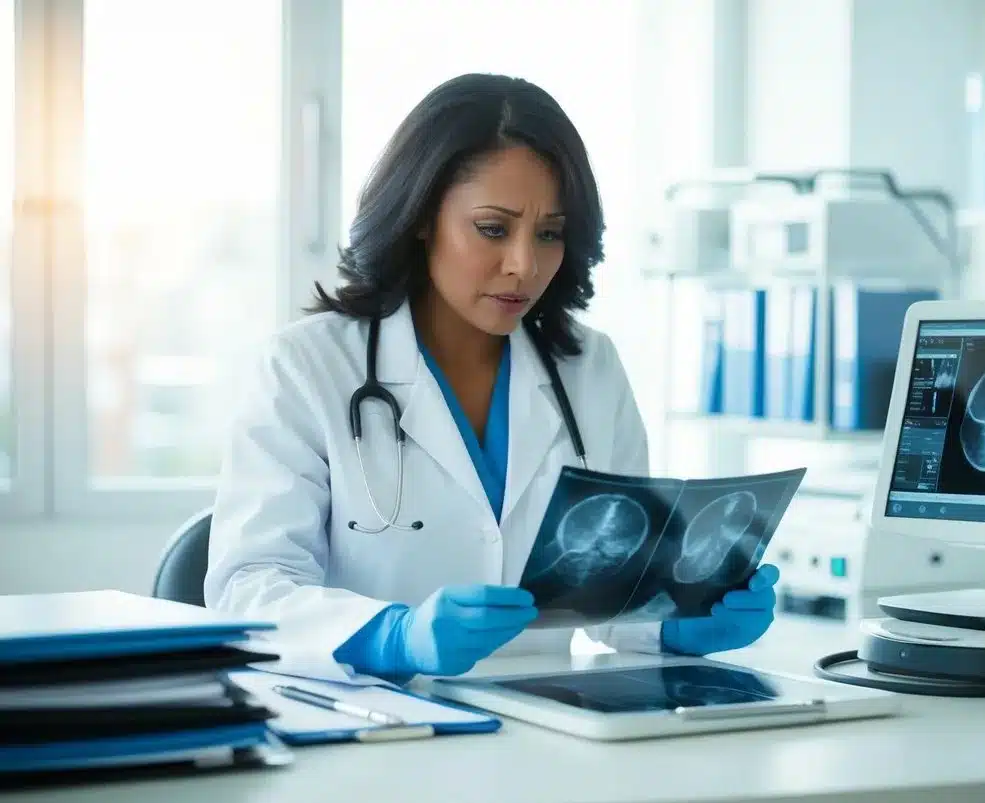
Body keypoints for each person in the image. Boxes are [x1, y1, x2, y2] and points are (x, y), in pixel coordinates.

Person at [204, 73, 779, 682]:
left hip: (546, 732)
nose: (524, 265)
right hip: (375, 724)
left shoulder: (590, 368)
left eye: (550, 234)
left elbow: (614, 596)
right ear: (422, 215)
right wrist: (392, 636)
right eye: (493, 229)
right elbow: (249, 587)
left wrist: (677, 618)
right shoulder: (306, 368)